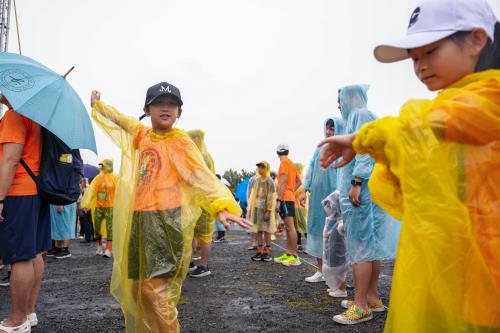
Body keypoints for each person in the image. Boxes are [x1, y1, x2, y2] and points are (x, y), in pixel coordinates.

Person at [319, 0, 499, 331]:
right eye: (414, 58)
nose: (420, 67)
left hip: (485, 277)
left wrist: (362, 139)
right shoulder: (458, 103)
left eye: (429, 52)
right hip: (462, 273)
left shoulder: (488, 99)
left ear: (476, 40)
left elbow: (424, 126)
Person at [90, 82, 250, 332]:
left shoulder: (181, 142)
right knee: (138, 287)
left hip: (168, 220)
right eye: (159, 104)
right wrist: (98, 106)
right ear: (147, 109)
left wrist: (220, 207)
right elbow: (122, 121)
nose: (165, 109)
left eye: (172, 105)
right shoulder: (143, 135)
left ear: (179, 112)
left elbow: (199, 177)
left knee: (154, 289)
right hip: (141, 218)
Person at [326, 85, 400, 325]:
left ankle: (360, 306)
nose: (339, 105)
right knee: (370, 247)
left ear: (353, 97)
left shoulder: (360, 114)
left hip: (360, 193)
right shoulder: (359, 117)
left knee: (360, 248)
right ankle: (372, 297)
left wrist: (357, 182)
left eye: (341, 99)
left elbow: (366, 153)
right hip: (365, 193)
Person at [0, 96, 50, 332]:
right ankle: (28, 312)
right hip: (37, 191)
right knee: (34, 253)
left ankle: (17, 319)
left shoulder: (14, 115)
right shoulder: (38, 116)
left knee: (20, 256)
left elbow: (10, 160)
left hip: (18, 192)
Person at [301, 118, 343, 283]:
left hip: (335, 195)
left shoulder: (342, 148)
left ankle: (337, 277)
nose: (329, 131)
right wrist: (304, 189)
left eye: (332, 128)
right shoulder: (320, 148)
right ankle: (320, 271)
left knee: (335, 235)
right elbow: (311, 168)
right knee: (318, 230)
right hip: (318, 196)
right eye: (327, 127)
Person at [187, 129, 218, 278]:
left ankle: (204, 266)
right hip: (194, 201)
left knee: (204, 235)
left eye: (192, 139)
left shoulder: (203, 156)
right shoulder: (196, 155)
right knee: (191, 233)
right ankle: (190, 263)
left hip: (205, 201)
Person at [81, 159, 117, 258]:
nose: (102, 168)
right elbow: (91, 190)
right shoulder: (97, 178)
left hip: (110, 207)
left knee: (110, 228)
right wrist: (86, 204)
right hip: (98, 207)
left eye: (103, 166)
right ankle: (101, 246)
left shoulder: (114, 178)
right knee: (97, 227)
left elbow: (120, 191)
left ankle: (109, 249)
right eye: (101, 166)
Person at [273, 143, 302, 267]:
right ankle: (289, 253)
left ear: (277, 153)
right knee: (288, 227)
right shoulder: (291, 163)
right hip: (288, 197)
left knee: (290, 227)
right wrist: (291, 190)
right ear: (288, 152)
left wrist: (279, 199)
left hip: (285, 198)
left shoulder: (284, 163)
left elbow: (283, 181)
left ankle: (294, 255)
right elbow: (299, 181)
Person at [248, 161, 277, 262]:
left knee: (267, 230)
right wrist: (251, 208)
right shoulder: (257, 180)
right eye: (259, 167)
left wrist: (269, 211)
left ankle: (267, 252)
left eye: (262, 167)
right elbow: (253, 195)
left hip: (265, 210)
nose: (260, 169)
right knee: (259, 230)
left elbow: (271, 196)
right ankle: (260, 251)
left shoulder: (269, 181)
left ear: (266, 168)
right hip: (257, 209)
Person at [322, 191, 348, 298]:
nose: (328, 207)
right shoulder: (332, 218)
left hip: (338, 252)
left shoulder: (341, 221)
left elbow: (341, 230)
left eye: (330, 205)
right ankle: (336, 287)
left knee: (341, 270)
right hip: (331, 251)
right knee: (333, 270)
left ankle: (342, 289)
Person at [293, 163, 307, 252]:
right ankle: (299, 244)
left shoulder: (300, 180)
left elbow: (294, 192)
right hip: (300, 206)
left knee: (302, 225)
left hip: (298, 206)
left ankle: (309, 245)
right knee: (297, 226)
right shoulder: (303, 179)